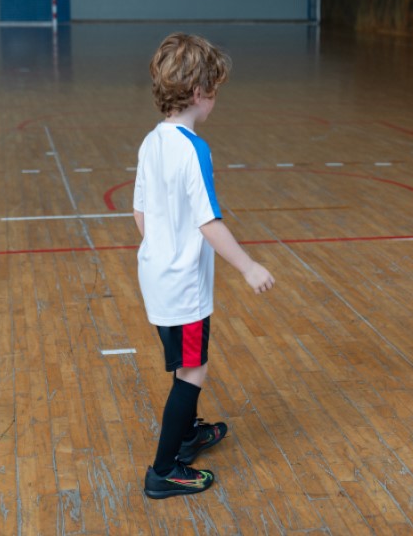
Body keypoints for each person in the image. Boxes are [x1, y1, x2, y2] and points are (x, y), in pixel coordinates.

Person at [134, 33, 275, 498]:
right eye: (214, 89)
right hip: (184, 288)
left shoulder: (152, 142)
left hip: (155, 276)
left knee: (183, 365)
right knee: (192, 372)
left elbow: (140, 213)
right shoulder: (194, 148)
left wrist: (163, 248)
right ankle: (164, 470)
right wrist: (248, 265)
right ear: (200, 93)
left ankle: (189, 433)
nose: (216, 98)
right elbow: (208, 223)